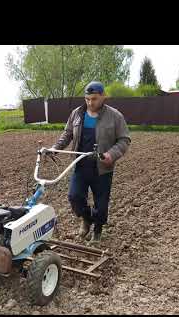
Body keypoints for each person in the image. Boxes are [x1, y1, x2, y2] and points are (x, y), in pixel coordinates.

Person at [47, 81, 131, 244]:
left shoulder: (115, 116)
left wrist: (111, 154)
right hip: (80, 164)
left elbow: (124, 140)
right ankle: (86, 219)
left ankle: (98, 230)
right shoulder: (77, 114)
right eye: (87, 99)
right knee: (75, 196)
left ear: (103, 97)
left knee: (101, 202)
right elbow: (67, 134)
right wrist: (55, 148)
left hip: (102, 167)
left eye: (94, 99)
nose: (90, 103)